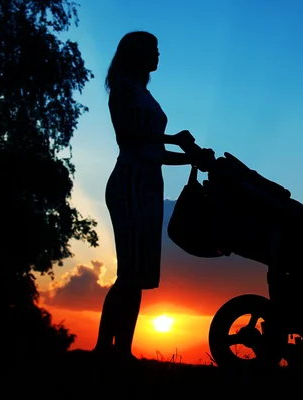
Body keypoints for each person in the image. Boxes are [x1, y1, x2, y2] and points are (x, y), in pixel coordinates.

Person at [93, 31, 213, 363]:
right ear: (137, 54)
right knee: (128, 272)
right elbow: (131, 138)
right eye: (154, 50)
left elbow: (155, 152)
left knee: (139, 274)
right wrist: (174, 138)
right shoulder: (122, 89)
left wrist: (191, 156)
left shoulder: (144, 93)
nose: (159, 55)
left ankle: (122, 350)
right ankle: (104, 348)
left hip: (148, 183)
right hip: (130, 180)